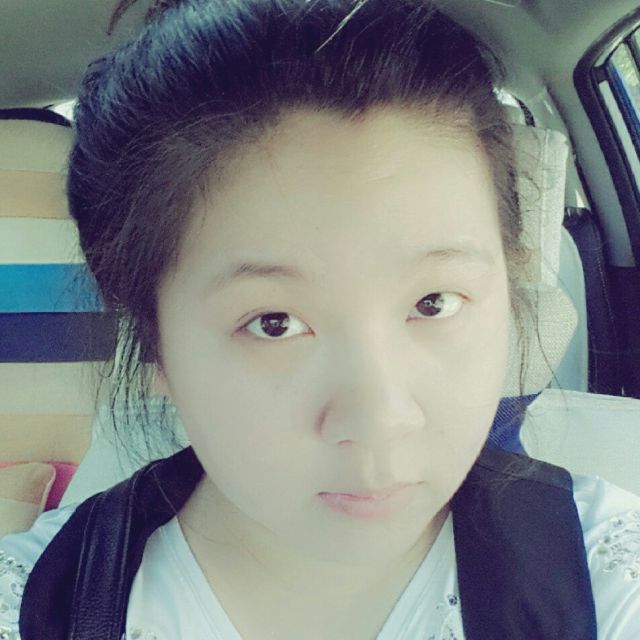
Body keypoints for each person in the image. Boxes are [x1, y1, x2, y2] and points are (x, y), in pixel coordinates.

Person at [1, 0, 639, 638]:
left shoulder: (605, 577)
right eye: (274, 322)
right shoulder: (36, 603)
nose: (380, 419)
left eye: (433, 303)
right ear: (153, 336)